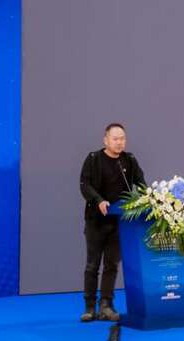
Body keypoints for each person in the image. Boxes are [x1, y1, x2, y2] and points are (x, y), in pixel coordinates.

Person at [79, 123, 145, 322]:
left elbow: (141, 184)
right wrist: (99, 200)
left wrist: (148, 199)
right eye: (115, 139)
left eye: (122, 138)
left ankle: (106, 305)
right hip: (96, 221)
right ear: (105, 140)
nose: (119, 142)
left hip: (120, 223)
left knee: (111, 265)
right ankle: (90, 307)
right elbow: (85, 185)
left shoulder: (129, 160)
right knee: (92, 265)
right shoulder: (93, 159)